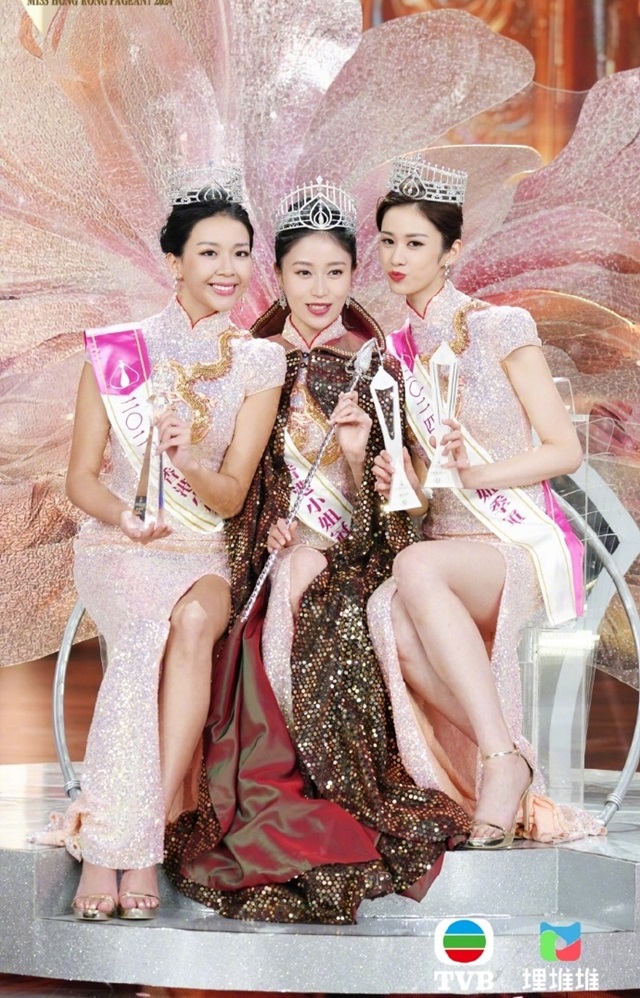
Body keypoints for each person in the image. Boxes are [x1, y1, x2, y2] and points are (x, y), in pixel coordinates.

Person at [164, 180, 470, 924]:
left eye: (336, 272)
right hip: (264, 563)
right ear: (277, 275)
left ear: (354, 275)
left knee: (324, 610)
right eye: (303, 272)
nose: (320, 289)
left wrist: (365, 460)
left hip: (351, 562)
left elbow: (403, 518)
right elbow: (236, 485)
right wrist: (269, 528)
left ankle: (323, 792)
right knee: (272, 602)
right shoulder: (252, 364)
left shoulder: (378, 370)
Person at [61, 169, 286, 919]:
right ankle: (120, 851)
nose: (228, 269)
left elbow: (232, 495)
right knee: (142, 636)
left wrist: (186, 460)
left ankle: (133, 836)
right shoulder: (116, 350)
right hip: (118, 547)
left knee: (191, 623)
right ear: (174, 261)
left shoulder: (259, 361)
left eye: (240, 254)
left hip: (200, 554)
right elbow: (81, 480)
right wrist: (125, 517)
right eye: (210, 252)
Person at [368, 156, 601, 848]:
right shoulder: (390, 354)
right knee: (386, 611)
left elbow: (564, 450)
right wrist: (397, 477)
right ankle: (508, 754)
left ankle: (500, 763)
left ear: (451, 250)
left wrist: (480, 473)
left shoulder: (502, 327)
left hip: (517, 544)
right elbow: (425, 485)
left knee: (413, 569)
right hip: (445, 549)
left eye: (415, 242)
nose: (397, 257)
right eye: (387, 241)